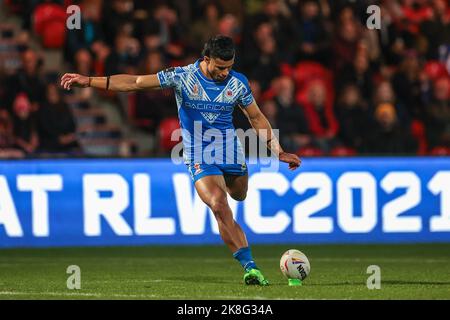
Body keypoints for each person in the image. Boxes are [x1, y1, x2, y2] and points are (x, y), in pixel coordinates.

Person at [60, 35, 301, 286]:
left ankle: (231, 192)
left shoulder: (238, 83)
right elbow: (136, 82)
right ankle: (250, 267)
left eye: (229, 67)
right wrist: (89, 81)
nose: (224, 73)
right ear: (206, 59)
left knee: (239, 195)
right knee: (219, 205)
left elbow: (257, 118)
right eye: (220, 67)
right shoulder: (182, 76)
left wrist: (278, 151)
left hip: (230, 151)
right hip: (199, 154)